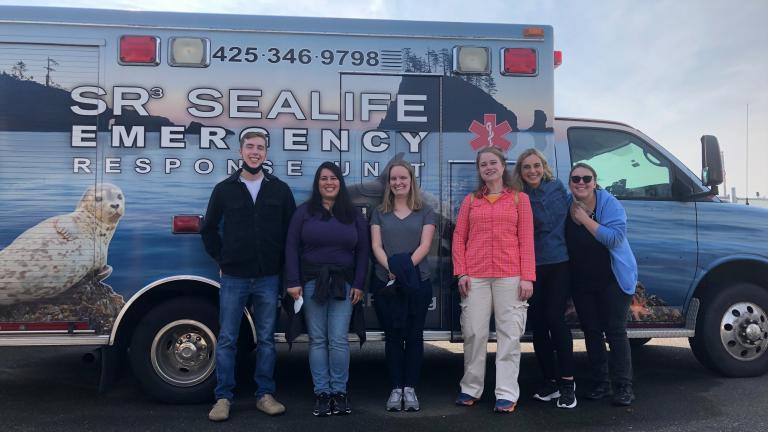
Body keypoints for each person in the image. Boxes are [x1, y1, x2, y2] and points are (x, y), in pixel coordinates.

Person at [201, 131, 296, 422]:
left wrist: (285, 270)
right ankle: (223, 398)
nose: (255, 152)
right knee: (228, 338)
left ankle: (264, 395)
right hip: (234, 276)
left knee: (267, 339)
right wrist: (222, 259)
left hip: (268, 277)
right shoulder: (224, 189)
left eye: (260, 148)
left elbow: (291, 234)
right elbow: (209, 229)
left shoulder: (279, 190)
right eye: (250, 147)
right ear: (241, 151)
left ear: (266, 153)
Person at [452, 146, 536, 413]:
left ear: (502, 166)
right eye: (483, 164)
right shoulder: (470, 201)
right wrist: (461, 272)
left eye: (493, 162)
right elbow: (458, 237)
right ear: (479, 170)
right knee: (474, 333)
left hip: (510, 276)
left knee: (509, 336)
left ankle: (507, 393)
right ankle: (470, 388)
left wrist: (528, 277)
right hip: (475, 276)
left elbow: (526, 240)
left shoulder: (519, 200)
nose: (488, 167)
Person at [284, 161, 369, 417]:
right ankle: (322, 393)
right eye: (323, 178)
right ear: (317, 183)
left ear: (340, 182)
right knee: (318, 340)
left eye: (333, 178)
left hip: (343, 285)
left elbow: (363, 251)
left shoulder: (352, 214)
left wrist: (358, 283)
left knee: (339, 340)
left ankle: (339, 392)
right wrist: (292, 281)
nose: (329, 182)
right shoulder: (303, 213)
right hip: (311, 283)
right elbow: (290, 247)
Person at [565, 163, 638, 406]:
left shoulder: (608, 203)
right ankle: (601, 384)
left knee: (615, 331)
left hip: (613, 280)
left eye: (587, 178)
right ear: (570, 183)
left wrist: (585, 219)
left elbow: (616, 238)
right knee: (592, 332)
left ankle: (624, 387)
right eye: (576, 178)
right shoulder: (567, 206)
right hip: (583, 282)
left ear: (595, 182)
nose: (581, 182)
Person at [370, 160, 437, 412]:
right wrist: (391, 269)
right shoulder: (379, 212)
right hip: (385, 283)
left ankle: (410, 388)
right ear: (388, 183)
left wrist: (402, 270)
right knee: (393, 337)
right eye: (393, 179)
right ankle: (396, 387)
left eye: (403, 178)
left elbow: (425, 245)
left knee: (414, 335)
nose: (398, 183)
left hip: (417, 283)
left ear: (411, 181)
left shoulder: (425, 211)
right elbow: (376, 245)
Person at [512, 149, 576, 409]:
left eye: (536, 166)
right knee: (537, 325)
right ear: (521, 171)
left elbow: (566, 217)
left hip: (559, 262)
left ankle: (568, 383)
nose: (532, 171)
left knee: (555, 319)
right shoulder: (519, 195)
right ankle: (549, 381)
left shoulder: (557, 187)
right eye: (527, 167)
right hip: (531, 266)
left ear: (544, 166)